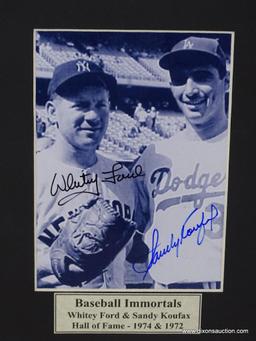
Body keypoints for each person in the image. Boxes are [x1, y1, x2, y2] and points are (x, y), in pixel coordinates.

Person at [134, 36, 230, 290]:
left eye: (202, 76)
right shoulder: (154, 155)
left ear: (226, 82)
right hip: (165, 300)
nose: (190, 90)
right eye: (179, 78)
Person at [36, 59, 138, 289]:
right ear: (52, 112)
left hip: (113, 316)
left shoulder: (120, 175)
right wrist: (55, 264)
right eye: (81, 105)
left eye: (101, 104)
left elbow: (128, 251)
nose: (93, 116)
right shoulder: (32, 174)